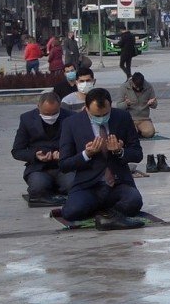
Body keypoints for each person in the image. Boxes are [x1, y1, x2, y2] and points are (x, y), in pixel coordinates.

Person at [57, 88, 145, 230]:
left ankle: (108, 216)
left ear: (111, 105)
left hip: (118, 183)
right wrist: (87, 154)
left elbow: (137, 154)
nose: (102, 118)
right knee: (72, 212)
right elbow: (64, 164)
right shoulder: (71, 124)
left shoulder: (122, 117)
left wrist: (119, 151)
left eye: (106, 114)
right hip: (88, 185)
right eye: (96, 115)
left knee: (133, 202)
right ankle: (102, 211)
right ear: (86, 109)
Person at [11, 93, 74, 206]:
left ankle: (60, 188)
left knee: (73, 185)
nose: (50, 117)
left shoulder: (71, 117)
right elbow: (17, 151)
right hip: (39, 168)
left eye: (54, 113)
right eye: (46, 113)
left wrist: (65, 154)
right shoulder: (27, 119)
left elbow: (80, 145)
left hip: (64, 167)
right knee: (38, 187)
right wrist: (35, 155)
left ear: (60, 106)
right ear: (38, 106)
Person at [117, 72, 158, 139]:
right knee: (131, 133)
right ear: (132, 82)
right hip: (130, 118)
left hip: (144, 118)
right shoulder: (124, 87)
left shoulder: (149, 87)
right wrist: (126, 104)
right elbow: (118, 106)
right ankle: (135, 131)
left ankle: (140, 131)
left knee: (149, 133)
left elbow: (155, 105)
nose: (138, 89)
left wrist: (152, 103)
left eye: (140, 87)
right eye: (136, 87)